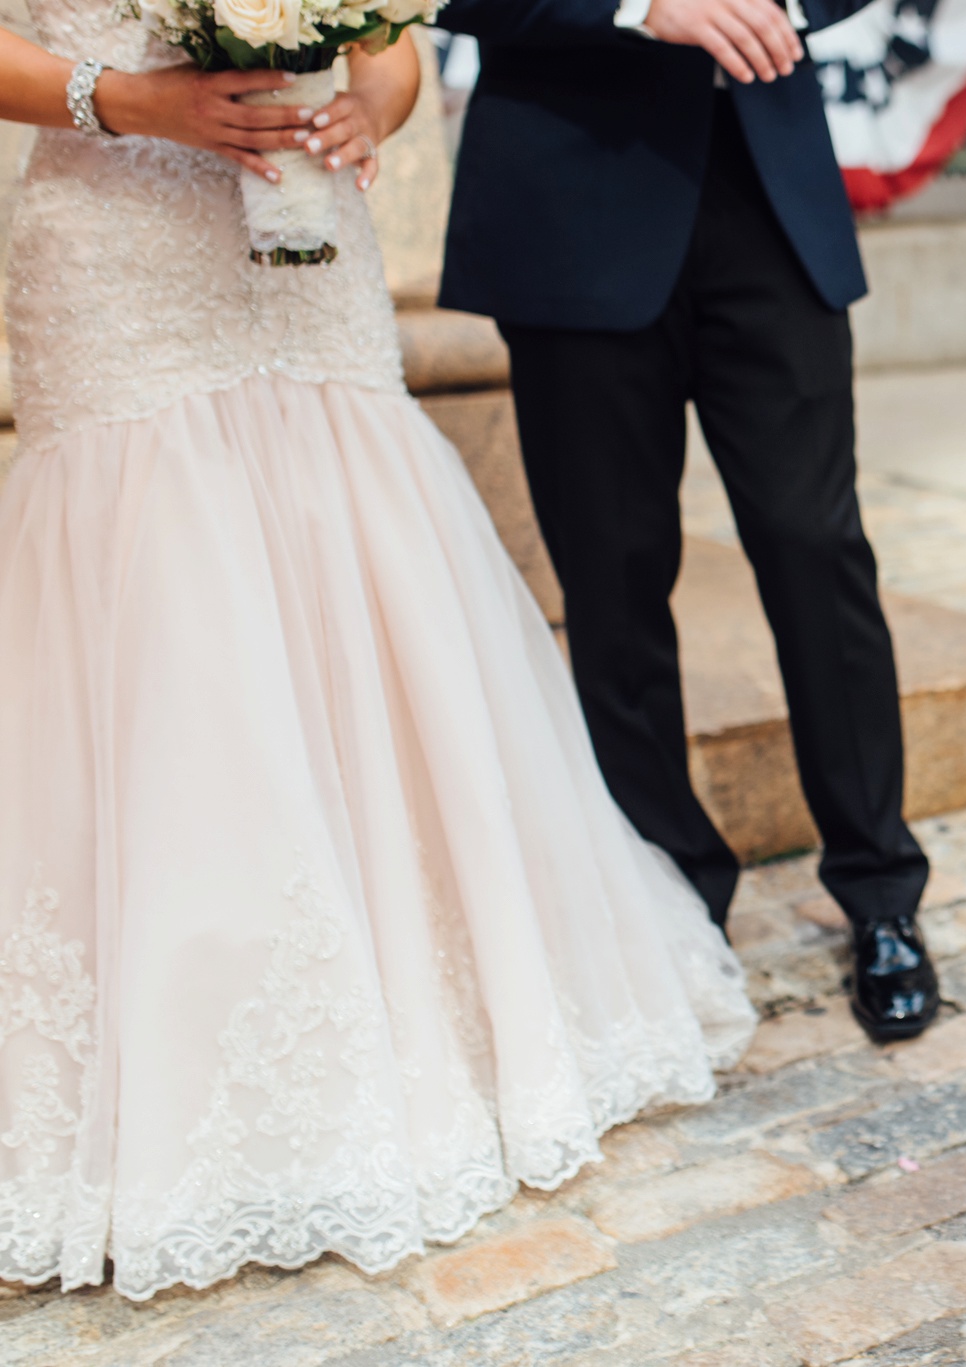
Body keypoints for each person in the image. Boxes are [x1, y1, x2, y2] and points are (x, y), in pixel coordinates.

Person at [0, 15, 755, 1300]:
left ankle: (433, 1015)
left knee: (350, 538)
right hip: (113, 237)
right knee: (164, 590)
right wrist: (127, 100)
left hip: (304, 235)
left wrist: (370, 110)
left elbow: (391, 41)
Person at [433, 0, 941, 1043]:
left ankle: (881, 889)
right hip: (573, 191)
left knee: (817, 547)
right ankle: (672, 896)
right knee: (610, 576)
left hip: (765, 186)